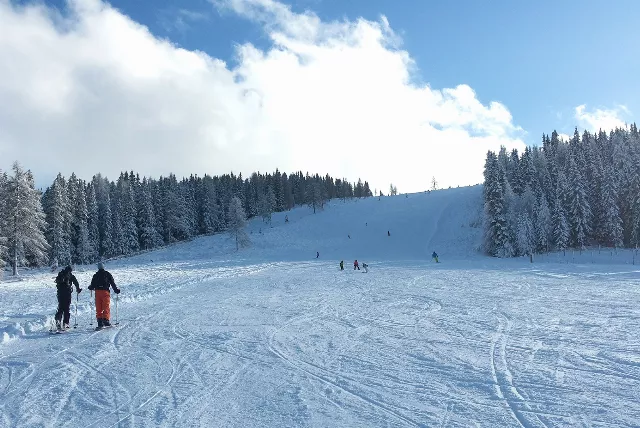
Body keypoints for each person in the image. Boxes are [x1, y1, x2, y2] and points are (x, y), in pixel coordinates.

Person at [88, 262, 120, 328]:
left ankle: (99, 321)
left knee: (98, 307)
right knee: (106, 306)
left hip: (97, 292)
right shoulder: (107, 274)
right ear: (103, 267)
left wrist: (90, 287)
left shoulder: (95, 275)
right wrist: (116, 290)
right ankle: (106, 320)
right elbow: (112, 283)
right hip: (105, 292)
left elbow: (92, 285)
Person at [54, 265, 82, 330]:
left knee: (60, 307)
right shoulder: (71, 276)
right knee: (66, 308)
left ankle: (58, 319)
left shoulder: (61, 274)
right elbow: (76, 283)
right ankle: (66, 323)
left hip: (60, 293)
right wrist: (78, 289)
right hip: (67, 294)